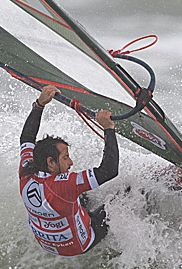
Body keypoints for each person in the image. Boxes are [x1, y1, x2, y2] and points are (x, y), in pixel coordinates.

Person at [19, 84, 119, 256]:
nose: (70, 162)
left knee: (81, 195)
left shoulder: (26, 171)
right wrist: (108, 129)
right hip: (80, 244)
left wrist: (39, 104)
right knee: (125, 197)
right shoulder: (63, 186)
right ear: (50, 162)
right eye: (65, 158)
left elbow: (26, 138)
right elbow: (109, 171)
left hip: (48, 244)